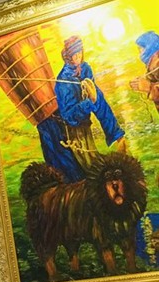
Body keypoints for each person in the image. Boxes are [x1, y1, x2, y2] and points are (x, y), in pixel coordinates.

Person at [36, 36, 126, 183]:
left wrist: (116, 134)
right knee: (86, 176)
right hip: (69, 133)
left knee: (97, 167)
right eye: (74, 54)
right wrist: (89, 102)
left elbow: (99, 101)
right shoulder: (63, 82)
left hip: (84, 127)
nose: (78, 57)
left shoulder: (85, 70)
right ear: (68, 56)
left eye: (80, 53)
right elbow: (69, 115)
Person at [130, 30, 159, 114]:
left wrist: (149, 87)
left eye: (141, 49)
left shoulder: (157, 64)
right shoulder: (152, 66)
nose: (140, 53)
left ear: (149, 47)